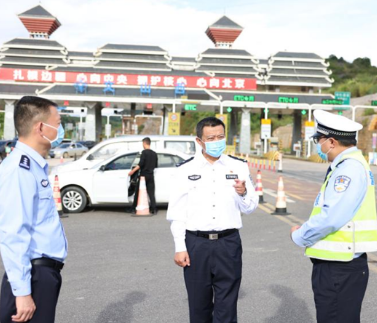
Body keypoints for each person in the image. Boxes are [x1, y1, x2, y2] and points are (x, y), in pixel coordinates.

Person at [167, 117, 258, 322]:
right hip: (196, 244)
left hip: (229, 243)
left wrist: (243, 193)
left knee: (227, 306)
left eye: (220, 136)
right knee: (199, 307)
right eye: (211, 138)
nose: (217, 141)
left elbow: (251, 206)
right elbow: (177, 212)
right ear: (199, 141)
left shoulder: (238, 166)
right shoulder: (185, 170)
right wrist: (179, 246)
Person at [291, 110, 377, 323]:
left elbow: (331, 217)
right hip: (342, 263)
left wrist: (300, 235)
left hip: (339, 267)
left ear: (330, 142)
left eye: (318, 140)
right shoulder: (351, 165)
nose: (317, 146)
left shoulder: (347, 170)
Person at [0, 96, 68, 323]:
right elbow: (13, 232)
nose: (60, 129)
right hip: (33, 277)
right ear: (41, 127)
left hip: (40, 275)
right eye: (58, 123)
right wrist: (22, 293)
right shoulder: (20, 170)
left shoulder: (33, 166)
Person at [128, 137, 158, 215]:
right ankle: (154, 209)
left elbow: (140, 164)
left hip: (143, 176)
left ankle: (133, 208)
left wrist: (132, 171)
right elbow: (155, 165)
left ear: (144, 143)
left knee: (138, 192)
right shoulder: (154, 154)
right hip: (151, 175)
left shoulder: (144, 153)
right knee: (151, 193)